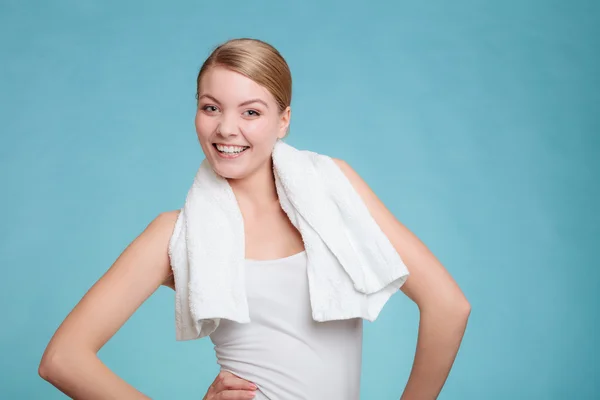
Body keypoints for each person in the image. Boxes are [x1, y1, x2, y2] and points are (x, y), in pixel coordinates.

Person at [39, 38, 471, 399]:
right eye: (211, 107)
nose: (227, 129)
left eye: (251, 112)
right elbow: (63, 359)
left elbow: (448, 307)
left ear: (283, 120)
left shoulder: (335, 191)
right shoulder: (174, 234)